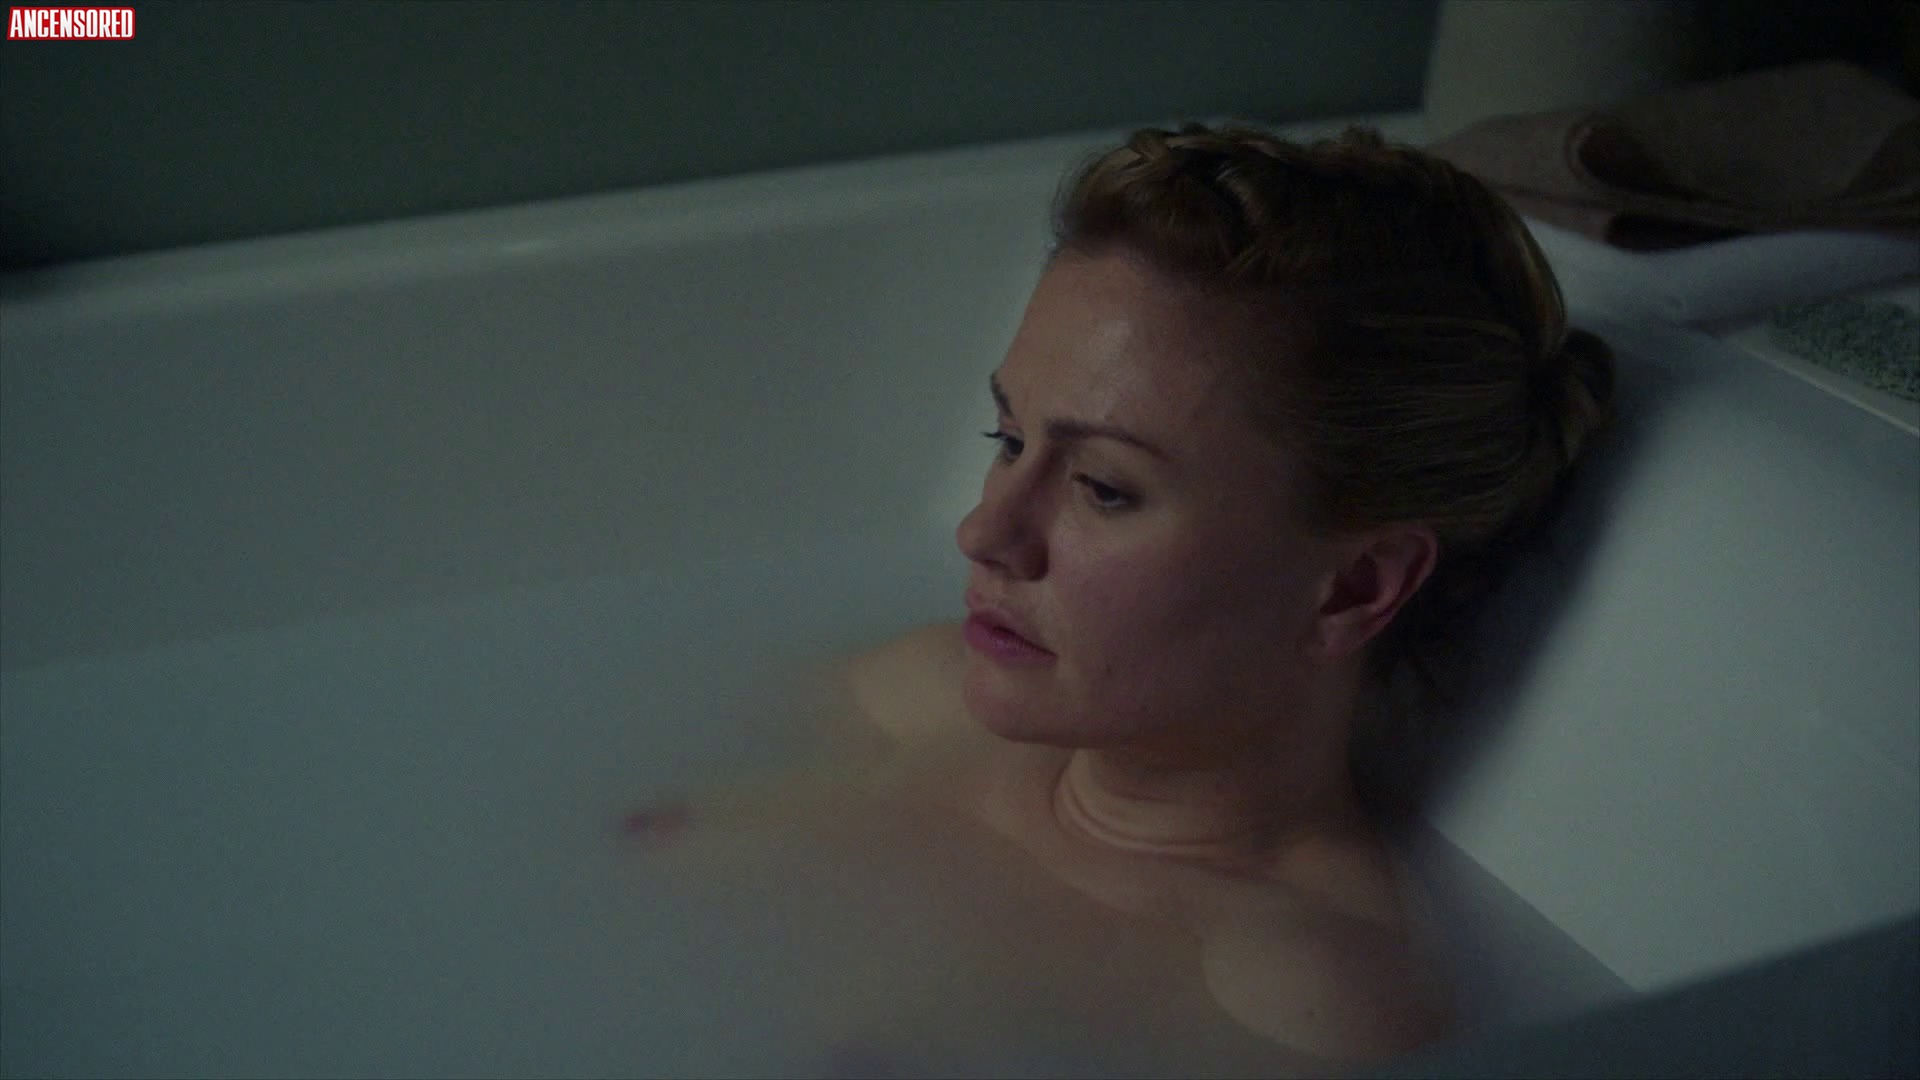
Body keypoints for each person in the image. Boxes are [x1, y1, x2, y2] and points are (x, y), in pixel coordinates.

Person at [630, 121, 1618, 1072]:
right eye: (1008, 441)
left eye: (1103, 488)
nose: (984, 532)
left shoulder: (1303, 997)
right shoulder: (926, 689)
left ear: (1352, 588)